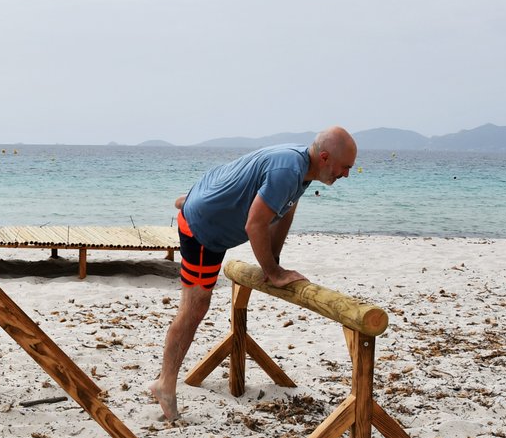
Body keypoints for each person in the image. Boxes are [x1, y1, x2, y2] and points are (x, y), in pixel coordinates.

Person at [149, 127, 358, 422]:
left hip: (211, 204)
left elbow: (283, 212)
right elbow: (255, 225)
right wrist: (272, 273)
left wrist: (274, 261)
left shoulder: (302, 168)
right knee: (195, 306)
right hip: (202, 230)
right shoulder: (288, 170)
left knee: (198, 303)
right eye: (345, 167)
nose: (347, 174)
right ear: (324, 157)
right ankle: (164, 384)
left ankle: (192, 199)